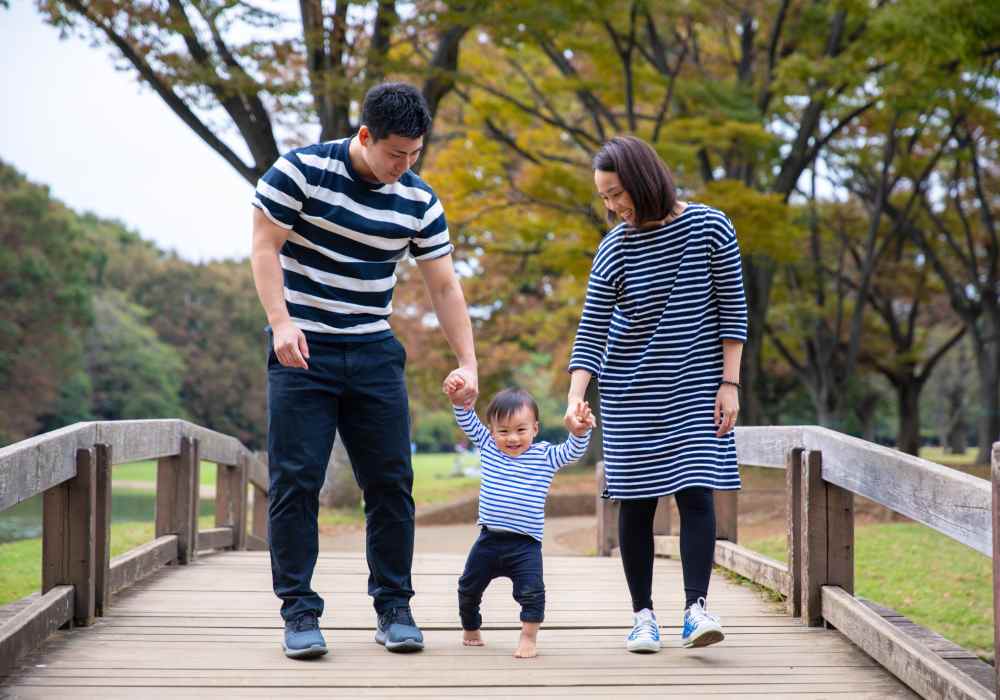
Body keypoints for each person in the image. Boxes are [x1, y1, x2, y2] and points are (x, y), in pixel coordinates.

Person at [251, 82, 478, 659]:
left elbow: (444, 285)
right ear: (365, 136)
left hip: (373, 349)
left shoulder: (419, 201)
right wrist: (280, 322)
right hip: (301, 347)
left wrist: (468, 362)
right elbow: (263, 248)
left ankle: (394, 606)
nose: (404, 166)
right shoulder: (299, 173)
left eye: (415, 155)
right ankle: (299, 612)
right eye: (395, 154)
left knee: (392, 484)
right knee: (296, 483)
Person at [565, 135, 747, 653]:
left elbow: (733, 311)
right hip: (628, 389)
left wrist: (729, 384)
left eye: (617, 193)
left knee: (696, 488)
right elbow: (592, 328)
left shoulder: (710, 227)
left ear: (645, 179)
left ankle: (696, 610)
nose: (612, 206)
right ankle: (642, 615)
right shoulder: (615, 247)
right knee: (638, 502)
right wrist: (577, 396)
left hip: (695, 384)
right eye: (603, 198)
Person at [442, 381, 594, 658]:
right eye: (503, 431)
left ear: (535, 429)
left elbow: (571, 452)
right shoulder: (489, 447)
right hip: (489, 539)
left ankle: (528, 636)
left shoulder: (545, 455)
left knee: (532, 592)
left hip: (526, 545)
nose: (512, 438)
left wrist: (579, 433)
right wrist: (459, 400)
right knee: (468, 587)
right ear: (492, 432)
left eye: (521, 430)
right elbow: (467, 420)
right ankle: (471, 628)